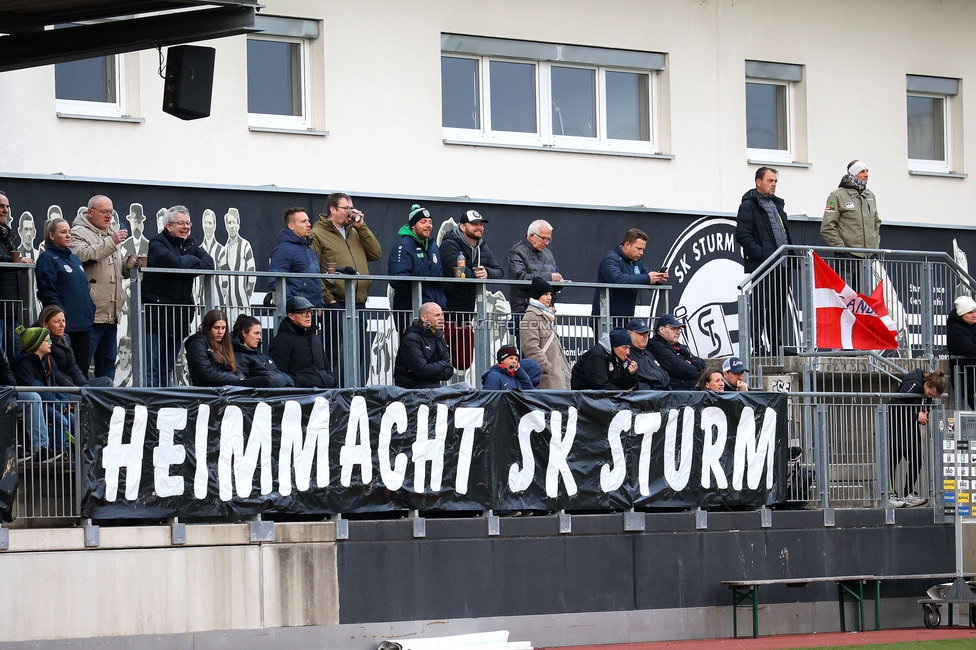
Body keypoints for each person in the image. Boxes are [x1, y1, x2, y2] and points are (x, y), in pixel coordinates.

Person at [141, 206, 215, 387]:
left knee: (167, 368)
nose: (186, 227)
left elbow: (209, 264)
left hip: (178, 318)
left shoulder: (191, 244)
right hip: (156, 316)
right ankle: (152, 404)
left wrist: (185, 265)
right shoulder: (157, 242)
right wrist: (191, 262)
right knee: (152, 368)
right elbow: (173, 263)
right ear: (168, 226)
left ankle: (164, 404)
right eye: (181, 223)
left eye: (188, 223)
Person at [68, 194, 129, 380]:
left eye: (111, 212)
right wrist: (111, 242)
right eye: (104, 212)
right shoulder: (77, 232)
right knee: (82, 365)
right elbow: (81, 255)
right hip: (90, 315)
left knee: (107, 365)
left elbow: (113, 269)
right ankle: (80, 407)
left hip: (110, 315)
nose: (109, 216)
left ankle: (106, 407)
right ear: (90, 213)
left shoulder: (110, 234)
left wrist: (128, 264)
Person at [735, 167, 794, 355]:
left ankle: (776, 347)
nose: (774, 185)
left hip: (782, 265)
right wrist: (762, 254)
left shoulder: (777, 205)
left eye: (775, 181)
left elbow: (782, 234)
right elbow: (742, 235)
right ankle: (757, 347)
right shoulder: (749, 206)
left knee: (778, 308)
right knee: (760, 308)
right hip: (763, 266)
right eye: (770, 181)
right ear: (758, 182)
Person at [35, 218, 95, 373]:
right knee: (64, 371)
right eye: (63, 232)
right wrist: (59, 316)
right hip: (64, 327)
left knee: (82, 370)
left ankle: (82, 397)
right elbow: (47, 291)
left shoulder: (74, 259)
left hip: (83, 325)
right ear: (51, 236)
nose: (69, 235)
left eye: (69, 232)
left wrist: (90, 309)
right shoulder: (47, 259)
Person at [310, 193, 382, 308]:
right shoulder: (317, 233)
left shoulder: (355, 231)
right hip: (336, 302)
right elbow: (312, 269)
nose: (350, 212)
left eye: (351, 208)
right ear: (333, 209)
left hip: (358, 300)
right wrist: (328, 298)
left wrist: (361, 227)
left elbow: (376, 254)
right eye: (346, 208)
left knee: (360, 326)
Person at [887, 369, 947, 508]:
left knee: (917, 459)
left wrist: (924, 414)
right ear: (927, 384)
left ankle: (909, 493)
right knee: (892, 462)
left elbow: (925, 405)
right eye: (930, 393)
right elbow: (894, 406)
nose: (930, 396)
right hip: (895, 427)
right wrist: (916, 416)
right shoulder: (913, 384)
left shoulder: (927, 392)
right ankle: (890, 495)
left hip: (910, 429)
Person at [12, 325, 72, 459]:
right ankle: (56, 452)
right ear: (35, 344)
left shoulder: (46, 361)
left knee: (72, 419)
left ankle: (77, 454)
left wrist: (64, 401)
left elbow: (54, 385)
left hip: (47, 401)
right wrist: (57, 404)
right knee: (59, 419)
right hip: (36, 403)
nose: (50, 343)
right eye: (46, 340)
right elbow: (36, 387)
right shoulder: (24, 363)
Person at [821, 160, 881, 291]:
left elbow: (876, 223)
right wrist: (842, 250)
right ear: (853, 175)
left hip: (868, 259)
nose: (866, 175)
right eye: (862, 172)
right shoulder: (837, 195)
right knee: (846, 298)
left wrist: (875, 248)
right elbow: (827, 227)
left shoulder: (870, 195)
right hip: (847, 259)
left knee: (865, 299)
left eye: (867, 171)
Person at [438, 209, 505, 315]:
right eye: (474, 224)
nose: (479, 227)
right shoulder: (449, 244)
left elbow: (499, 271)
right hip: (447, 309)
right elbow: (458, 272)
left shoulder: (483, 247)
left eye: (481, 224)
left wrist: (486, 273)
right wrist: (477, 275)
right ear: (462, 227)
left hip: (469, 311)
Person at [591, 229, 668, 319]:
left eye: (643, 249)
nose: (641, 253)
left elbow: (648, 275)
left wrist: (659, 279)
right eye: (639, 248)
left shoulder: (637, 262)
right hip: (605, 321)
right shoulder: (610, 259)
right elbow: (618, 280)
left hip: (626, 321)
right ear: (627, 245)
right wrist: (648, 278)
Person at [184, 309, 271, 387]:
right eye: (216, 328)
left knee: (264, 380)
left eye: (223, 328)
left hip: (228, 385)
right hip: (210, 388)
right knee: (262, 381)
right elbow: (206, 373)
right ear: (208, 327)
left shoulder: (224, 343)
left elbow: (237, 369)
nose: (220, 332)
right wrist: (236, 379)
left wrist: (240, 379)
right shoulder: (197, 343)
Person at [0, 339, 53, 463]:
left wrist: (11, 387)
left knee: (32, 397)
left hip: (4, 394)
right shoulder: (25, 362)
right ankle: (10, 449)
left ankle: (41, 448)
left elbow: (6, 371)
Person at [389, 204, 446, 314]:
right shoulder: (403, 246)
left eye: (430, 222)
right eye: (423, 222)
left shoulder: (433, 246)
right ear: (413, 225)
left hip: (435, 310)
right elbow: (399, 280)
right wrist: (419, 300)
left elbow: (439, 276)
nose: (428, 225)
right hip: (411, 310)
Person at [268, 296, 337, 388]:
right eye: (303, 313)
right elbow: (279, 373)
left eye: (309, 312)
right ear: (291, 316)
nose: (308, 316)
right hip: (300, 396)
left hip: (324, 391)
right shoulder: (281, 340)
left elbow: (326, 367)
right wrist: (301, 383)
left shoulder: (314, 338)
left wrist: (330, 380)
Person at [37, 305, 112, 387]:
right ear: (45, 324)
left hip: (74, 385)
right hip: (61, 390)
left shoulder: (65, 338)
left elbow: (73, 367)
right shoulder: (43, 343)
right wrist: (77, 390)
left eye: (63, 321)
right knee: (86, 398)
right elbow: (56, 375)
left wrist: (85, 387)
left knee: (107, 382)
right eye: (57, 322)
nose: (62, 325)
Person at [520, 277, 572, 389]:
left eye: (550, 294)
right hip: (547, 379)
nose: (549, 297)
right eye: (545, 294)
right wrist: (546, 367)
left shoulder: (547, 316)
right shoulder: (530, 316)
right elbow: (530, 348)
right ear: (537, 296)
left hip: (559, 378)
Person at [268, 207, 325, 308]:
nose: (308, 224)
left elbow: (316, 281)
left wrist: (320, 305)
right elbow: (276, 281)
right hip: (297, 314)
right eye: (303, 221)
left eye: (308, 221)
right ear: (291, 226)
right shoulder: (284, 249)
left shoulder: (310, 250)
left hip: (313, 312)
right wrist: (294, 306)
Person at [0, 191, 34, 356]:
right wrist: (16, 260)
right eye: (1, 206)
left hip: (11, 309)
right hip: (3, 307)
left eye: (7, 206)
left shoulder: (7, 235)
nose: (5, 210)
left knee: (13, 356)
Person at [393, 301, 454, 389]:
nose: (441, 319)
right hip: (413, 390)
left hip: (435, 389)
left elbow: (449, 372)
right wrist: (443, 364)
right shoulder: (411, 339)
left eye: (442, 315)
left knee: (465, 387)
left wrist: (430, 369)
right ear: (424, 318)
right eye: (437, 315)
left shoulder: (439, 338)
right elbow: (422, 371)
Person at [507, 219, 563, 315]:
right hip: (525, 310)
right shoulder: (517, 252)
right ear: (532, 236)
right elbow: (520, 279)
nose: (547, 243)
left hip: (547, 310)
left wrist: (559, 282)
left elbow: (553, 277)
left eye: (549, 239)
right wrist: (549, 277)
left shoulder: (548, 253)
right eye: (543, 238)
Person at [232, 314, 294, 388]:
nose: (259, 337)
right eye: (256, 333)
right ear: (244, 333)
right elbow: (244, 384)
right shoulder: (239, 357)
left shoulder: (263, 356)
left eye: (260, 333)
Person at [648, 314, 706, 390]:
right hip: (674, 393)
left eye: (679, 329)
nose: (678, 332)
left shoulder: (678, 346)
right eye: (674, 329)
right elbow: (680, 368)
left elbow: (702, 363)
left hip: (689, 390)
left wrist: (691, 362)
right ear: (662, 330)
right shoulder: (656, 346)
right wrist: (700, 373)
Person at [571, 328, 637, 391]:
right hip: (585, 398)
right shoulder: (596, 356)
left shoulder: (618, 357)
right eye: (624, 348)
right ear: (614, 346)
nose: (628, 352)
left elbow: (622, 385)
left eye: (629, 348)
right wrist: (622, 393)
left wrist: (631, 374)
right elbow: (601, 386)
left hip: (601, 398)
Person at [217, 208, 255, 308]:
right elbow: (223, 280)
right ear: (226, 226)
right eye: (229, 223)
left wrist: (247, 293)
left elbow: (252, 272)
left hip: (243, 300)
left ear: (238, 224)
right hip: (229, 303)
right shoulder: (224, 251)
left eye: (234, 222)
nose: (232, 226)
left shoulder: (245, 245)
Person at [947, 295, 976, 409]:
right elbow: (970, 349)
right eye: (970, 312)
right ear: (961, 314)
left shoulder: (972, 324)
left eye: (975, 311)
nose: (974, 315)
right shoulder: (955, 329)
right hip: (967, 377)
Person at [625, 318, 670, 391]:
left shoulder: (647, 353)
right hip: (646, 398)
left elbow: (665, 375)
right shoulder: (627, 354)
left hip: (662, 394)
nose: (645, 336)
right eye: (641, 333)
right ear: (629, 334)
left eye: (647, 333)